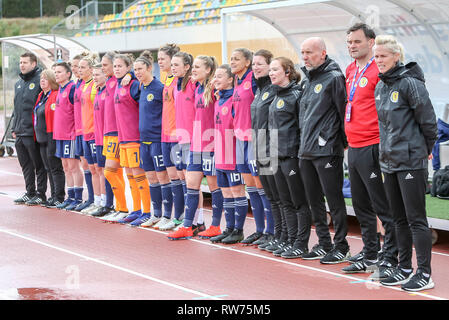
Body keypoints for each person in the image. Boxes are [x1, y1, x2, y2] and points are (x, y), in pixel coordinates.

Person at [374, 35, 437, 291]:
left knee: (416, 219)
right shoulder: (381, 87)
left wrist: (424, 150)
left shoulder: (411, 83)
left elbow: (429, 123)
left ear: (395, 56)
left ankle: (424, 274)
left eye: (383, 56)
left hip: (411, 161)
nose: (378, 61)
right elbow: (384, 127)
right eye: (376, 56)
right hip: (389, 162)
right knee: (397, 219)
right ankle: (404, 267)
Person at [341, 23, 398, 278]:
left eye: (357, 41)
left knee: (382, 205)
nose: (352, 46)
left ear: (371, 42)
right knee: (361, 205)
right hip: (353, 146)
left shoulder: (380, 69)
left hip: (374, 145)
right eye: (349, 42)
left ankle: (391, 256)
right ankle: (370, 252)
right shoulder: (351, 69)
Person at [298, 37, 350, 264]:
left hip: (327, 149)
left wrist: (341, 142)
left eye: (309, 52)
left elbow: (343, 112)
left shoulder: (335, 78)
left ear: (323, 53)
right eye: (303, 53)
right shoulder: (307, 81)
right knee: (314, 201)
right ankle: (324, 243)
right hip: (306, 150)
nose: (305, 57)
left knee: (335, 199)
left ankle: (341, 246)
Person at [167, 55, 221, 240]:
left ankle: (215, 225)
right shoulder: (197, 87)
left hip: (211, 144)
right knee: (191, 185)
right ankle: (188, 226)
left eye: (197, 67)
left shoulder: (213, 88)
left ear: (208, 70)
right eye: (194, 67)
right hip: (196, 145)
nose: (194, 70)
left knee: (214, 186)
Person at [266, 57, 312, 259]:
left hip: (292, 155)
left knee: (298, 202)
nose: (271, 73)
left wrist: (299, 153)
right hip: (277, 156)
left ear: (287, 71)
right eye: (270, 70)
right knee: (284, 201)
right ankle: (289, 240)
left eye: (275, 69)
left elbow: (302, 127)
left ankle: (301, 243)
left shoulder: (296, 95)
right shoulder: (276, 95)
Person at [103, 54, 151, 224]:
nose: (116, 69)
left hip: (134, 137)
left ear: (128, 68)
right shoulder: (117, 84)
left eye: (120, 66)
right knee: (130, 174)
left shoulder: (133, 85)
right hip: (122, 138)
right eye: (114, 66)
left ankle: (146, 211)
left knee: (139, 174)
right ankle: (136, 209)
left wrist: (130, 76)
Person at [230, 48, 270, 245]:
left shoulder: (253, 80)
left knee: (261, 185)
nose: (232, 62)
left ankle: (270, 230)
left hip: (254, 138)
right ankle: (259, 229)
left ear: (247, 62)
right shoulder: (236, 81)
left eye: (236, 59)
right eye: (231, 59)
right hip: (239, 139)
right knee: (250, 187)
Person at [125, 50, 169, 227]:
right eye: (135, 70)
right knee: (151, 177)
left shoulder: (159, 88)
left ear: (150, 68)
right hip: (144, 141)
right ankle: (156, 213)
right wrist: (129, 75)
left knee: (162, 177)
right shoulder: (139, 86)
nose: (138, 72)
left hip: (157, 140)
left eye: (141, 69)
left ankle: (167, 215)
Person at [207, 64, 245, 242]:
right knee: (226, 193)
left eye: (220, 76)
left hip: (233, 153)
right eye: (215, 76)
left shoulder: (235, 100)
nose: (216, 80)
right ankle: (229, 228)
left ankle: (238, 230)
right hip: (220, 153)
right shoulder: (218, 99)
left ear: (230, 79)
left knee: (237, 192)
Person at [250, 49, 282, 250]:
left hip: (273, 146)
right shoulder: (260, 89)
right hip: (259, 145)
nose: (255, 67)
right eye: (253, 64)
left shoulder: (274, 88)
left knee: (278, 195)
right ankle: (274, 233)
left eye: (260, 64)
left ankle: (278, 234)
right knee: (270, 194)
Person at [153, 43, 186, 230]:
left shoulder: (179, 82)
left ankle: (182, 217)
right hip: (164, 135)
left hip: (176, 136)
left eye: (162, 59)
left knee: (179, 177)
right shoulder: (166, 80)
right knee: (171, 176)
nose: (160, 62)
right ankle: (173, 215)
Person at [12, 52, 47, 206]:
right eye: (20, 62)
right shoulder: (18, 83)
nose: (22, 65)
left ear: (33, 64)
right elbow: (16, 108)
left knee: (38, 164)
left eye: (25, 62)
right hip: (20, 131)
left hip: (33, 132)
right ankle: (30, 192)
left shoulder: (40, 80)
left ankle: (41, 194)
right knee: (25, 164)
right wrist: (14, 127)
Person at [100, 51, 129, 221]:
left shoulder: (121, 81)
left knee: (110, 172)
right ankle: (120, 207)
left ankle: (124, 207)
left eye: (106, 65)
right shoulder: (109, 82)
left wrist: (130, 74)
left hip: (118, 132)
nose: (103, 68)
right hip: (108, 132)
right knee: (114, 172)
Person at [53, 61, 84, 209]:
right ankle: (70, 196)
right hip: (59, 135)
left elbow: (77, 113)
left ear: (68, 74)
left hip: (70, 134)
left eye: (59, 72)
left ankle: (77, 198)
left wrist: (75, 132)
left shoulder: (72, 89)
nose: (56, 75)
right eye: (55, 72)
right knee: (65, 167)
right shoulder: (60, 89)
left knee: (73, 167)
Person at [32, 69, 65, 207]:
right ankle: (52, 195)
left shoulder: (55, 95)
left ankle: (59, 196)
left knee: (55, 167)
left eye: (45, 78)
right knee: (47, 167)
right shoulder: (41, 95)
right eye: (41, 78)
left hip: (51, 135)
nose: (42, 80)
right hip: (41, 137)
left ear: (51, 80)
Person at [78, 53, 103, 214]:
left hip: (95, 132)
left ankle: (104, 202)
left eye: (82, 67)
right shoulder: (83, 85)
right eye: (78, 67)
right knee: (92, 168)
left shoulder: (95, 86)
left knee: (99, 168)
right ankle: (96, 200)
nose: (79, 70)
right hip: (85, 132)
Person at [90, 63, 115, 217]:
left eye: (98, 74)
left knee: (110, 172)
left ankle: (111, 203)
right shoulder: (98, 92)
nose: (95, 78)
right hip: (97, 138)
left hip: (108, 138)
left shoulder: (109, 91)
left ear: (106, 76)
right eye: (93, 75)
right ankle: (103, 201)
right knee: (100, 170)